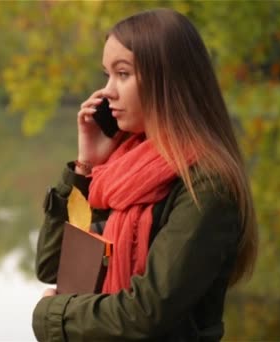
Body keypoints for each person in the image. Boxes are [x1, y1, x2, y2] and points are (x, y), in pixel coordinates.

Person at [32, 8, 258, 342]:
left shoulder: (207, 186)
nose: (107, 91)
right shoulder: (118, 173)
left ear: (168, 81)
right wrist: (85, 167)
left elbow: (147, 312)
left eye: (122, 74)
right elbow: (54, 267)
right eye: (107, 74)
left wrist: (50, 317)